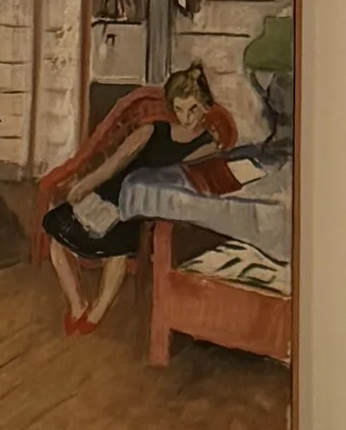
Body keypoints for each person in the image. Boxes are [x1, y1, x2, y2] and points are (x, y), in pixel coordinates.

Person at [35, 64, 240, 336]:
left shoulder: (206, 145)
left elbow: (183, 177)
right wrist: (85, 185)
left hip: (139, 205)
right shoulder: (152, 131)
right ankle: (77, 305)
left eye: (193, 109)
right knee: (56, 232)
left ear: (206, 106)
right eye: (179, 109)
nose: (186, 117)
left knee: (117, 248)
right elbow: (116, 161)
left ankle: (96, 314)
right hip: (110, 190)